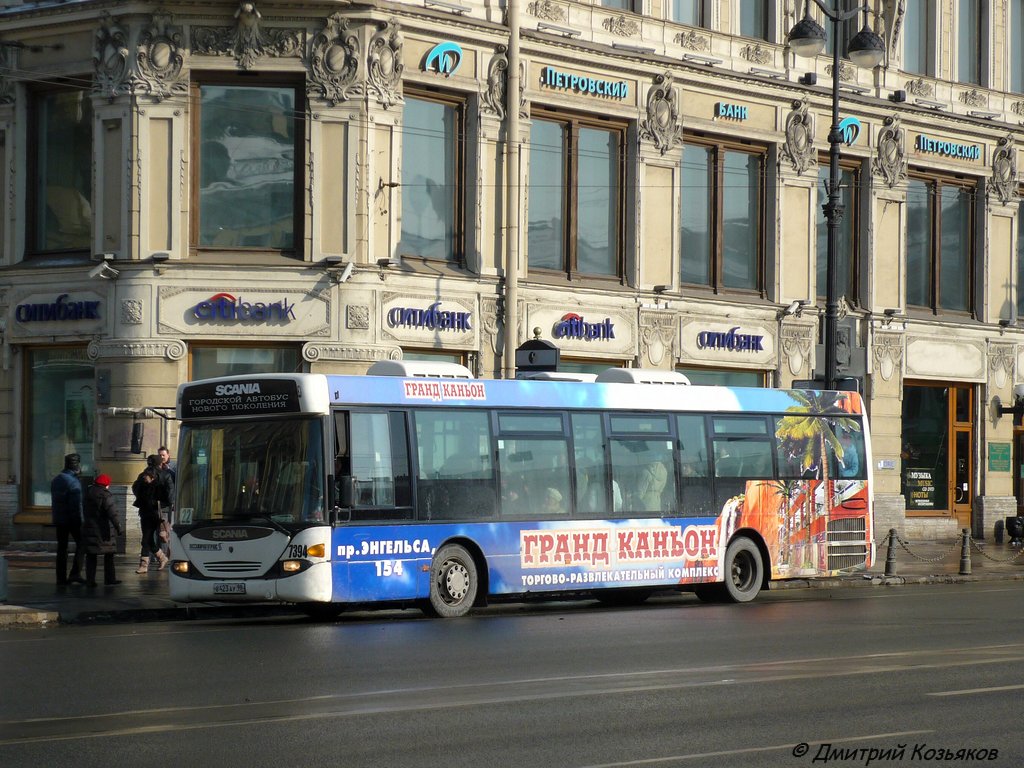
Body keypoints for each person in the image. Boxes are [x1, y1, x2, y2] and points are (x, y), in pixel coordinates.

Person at [51, 453, 85, 585]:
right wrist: (80, 520)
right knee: (82, 544)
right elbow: (76, 505)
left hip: (59, 519)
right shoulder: (73, 482)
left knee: (62, 548)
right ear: (76, 465)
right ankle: (75, 573)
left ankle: (61, 578)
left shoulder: (57, 479)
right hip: (72, 519)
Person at [82, 474, 122, 587]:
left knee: (91, 555)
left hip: (89, 527)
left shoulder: (88, 492)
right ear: (106, 484)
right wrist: (118, 527)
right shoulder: (105, 495)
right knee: (109, 554)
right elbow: (112, 512)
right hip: (103, 529)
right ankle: (110, 579)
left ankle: (90, 580)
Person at [132, 456, 169, 573]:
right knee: (148, 539)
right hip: (150, 511)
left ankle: (144, 564)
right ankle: (162, 557)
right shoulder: (147, 476)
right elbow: (170, 496)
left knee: (146, 538)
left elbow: (168, 494)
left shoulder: (162, 476)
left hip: (155, 512)